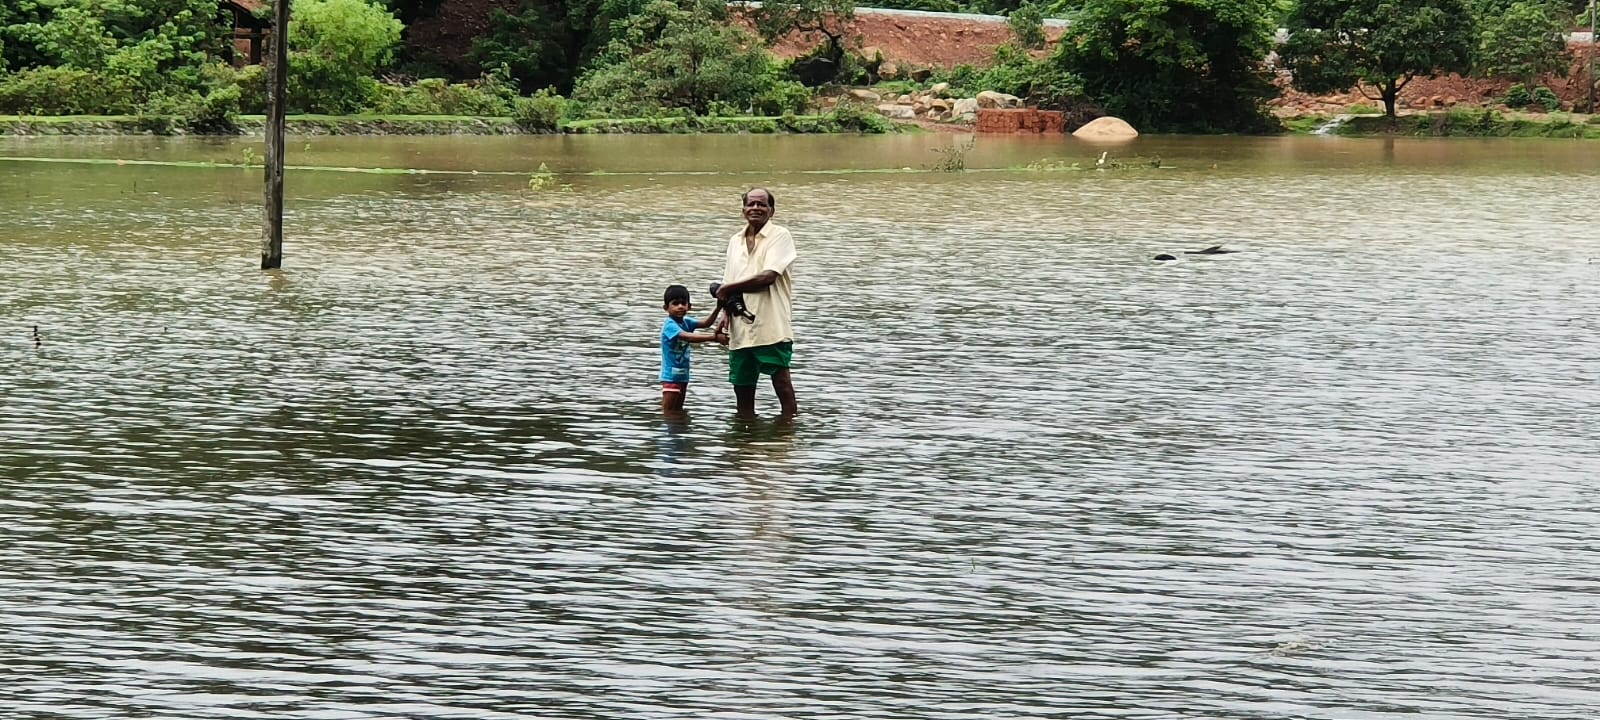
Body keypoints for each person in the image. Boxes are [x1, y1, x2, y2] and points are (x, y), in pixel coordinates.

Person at [717, 187, 798, 416]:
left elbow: (767, 277)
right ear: (743, 210)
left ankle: (787, 434)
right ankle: (745, 440)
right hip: (740, 327)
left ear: (771, 210)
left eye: (761, 204)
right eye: (751, 204)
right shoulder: (735, 241)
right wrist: (724, 317)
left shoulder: (780, 235)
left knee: (782, 384)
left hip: (770, 324)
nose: (756, 208)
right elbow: (728, 283)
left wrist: (727, 288)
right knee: (742, 388)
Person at [659, 284, 727, 412]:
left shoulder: (686, 322)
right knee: (669, 413)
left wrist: (718, 307)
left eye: (683, 303)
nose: (680, 306)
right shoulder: (669, 325)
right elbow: (687, 337)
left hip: (683, 375)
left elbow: (707, 323)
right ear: (666, 308)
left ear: (689, 306)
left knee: (678, 410)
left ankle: (678, 430)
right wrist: (715, 338)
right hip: (670, 376)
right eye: (675, 303)